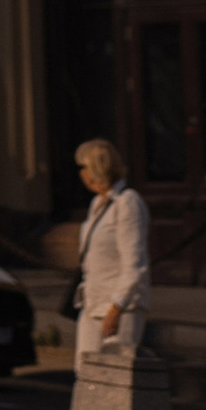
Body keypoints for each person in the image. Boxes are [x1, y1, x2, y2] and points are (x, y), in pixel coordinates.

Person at [73, 139, 149, 363]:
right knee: (84, 371)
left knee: (114, 373)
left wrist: (116, 308)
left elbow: (134, 263)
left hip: (120, 306)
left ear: (94, 169)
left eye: (83, 168)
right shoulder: (98, 203)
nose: (81, 174)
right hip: (92, 302)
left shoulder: (127, 203)